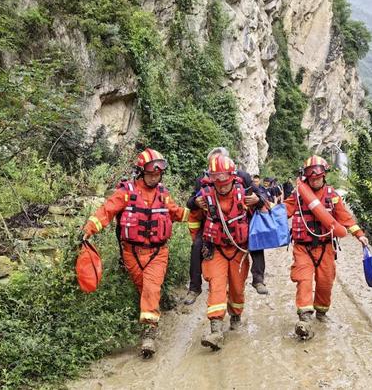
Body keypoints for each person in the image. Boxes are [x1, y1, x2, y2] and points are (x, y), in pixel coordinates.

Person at [82, 148, 189, 359]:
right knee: (143, 289)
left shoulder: (163, 195)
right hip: (131, 253)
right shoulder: (126, 192)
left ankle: (149, 334)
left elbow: (177, 213)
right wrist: (87, 230)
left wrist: (199, 212)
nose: (155, 177)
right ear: (141, 172)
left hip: (158, 252)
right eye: (151, 174)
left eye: (158, 174)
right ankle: (151, 313)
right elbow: (106, 211)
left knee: (151, 287)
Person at [283, 155, 369, 340]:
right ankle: (304, 319)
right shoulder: (298, 195)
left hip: (325, 247)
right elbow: (283, 212)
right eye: (311, 177)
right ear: (306, 177)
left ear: (324, 176)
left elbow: (345, 218)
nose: (315, 179)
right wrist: (262, 210)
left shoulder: (333, 196)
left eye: (318, 176)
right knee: (303, 279)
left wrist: (359, 235)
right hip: (303, 247)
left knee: (325, 282)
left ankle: (321, 313)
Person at [188, 155, 260, 350]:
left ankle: (236, 315)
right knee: (216, 286)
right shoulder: (204, 197)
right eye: (217, 181)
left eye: (224, 181)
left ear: (232, 178)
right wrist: (197, 241)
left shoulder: (244, 193)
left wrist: (258, 200)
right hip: (216, 249)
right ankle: (216, 330)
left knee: (237, 289)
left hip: (239, 250)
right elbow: (193, 218)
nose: (221, 186)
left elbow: (263, 210)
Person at [183, 148, 269, 305]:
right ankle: (194, 288)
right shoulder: (202, 180)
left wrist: (257, 200)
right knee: (196, 246)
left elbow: (262, 195)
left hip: (239, 221)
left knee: (256, 238)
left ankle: (258, 278)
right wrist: (195, 202)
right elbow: (190, 202)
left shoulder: (242, 177)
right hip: (213, 223)